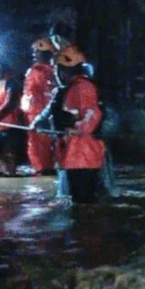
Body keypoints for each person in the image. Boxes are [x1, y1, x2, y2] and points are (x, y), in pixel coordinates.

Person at [52, 45, 106, 203]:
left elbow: (91, 116)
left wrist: (75, 128)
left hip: (84, 156)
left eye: (58, 69)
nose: (56, 74)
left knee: (84, 202)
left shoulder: (83, 87)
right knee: (79, 202)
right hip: (76, 155)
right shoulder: (73, 88)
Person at [22, 38, 58, 175]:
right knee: (36, 141)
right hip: (33, 110)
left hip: (42, 110)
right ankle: (41, 167)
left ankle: (44, 167)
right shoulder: (34, 70)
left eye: (38, 51)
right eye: (34, 51)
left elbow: (49, 91)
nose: (34, 54)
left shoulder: (48, 70)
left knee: (43, 140)